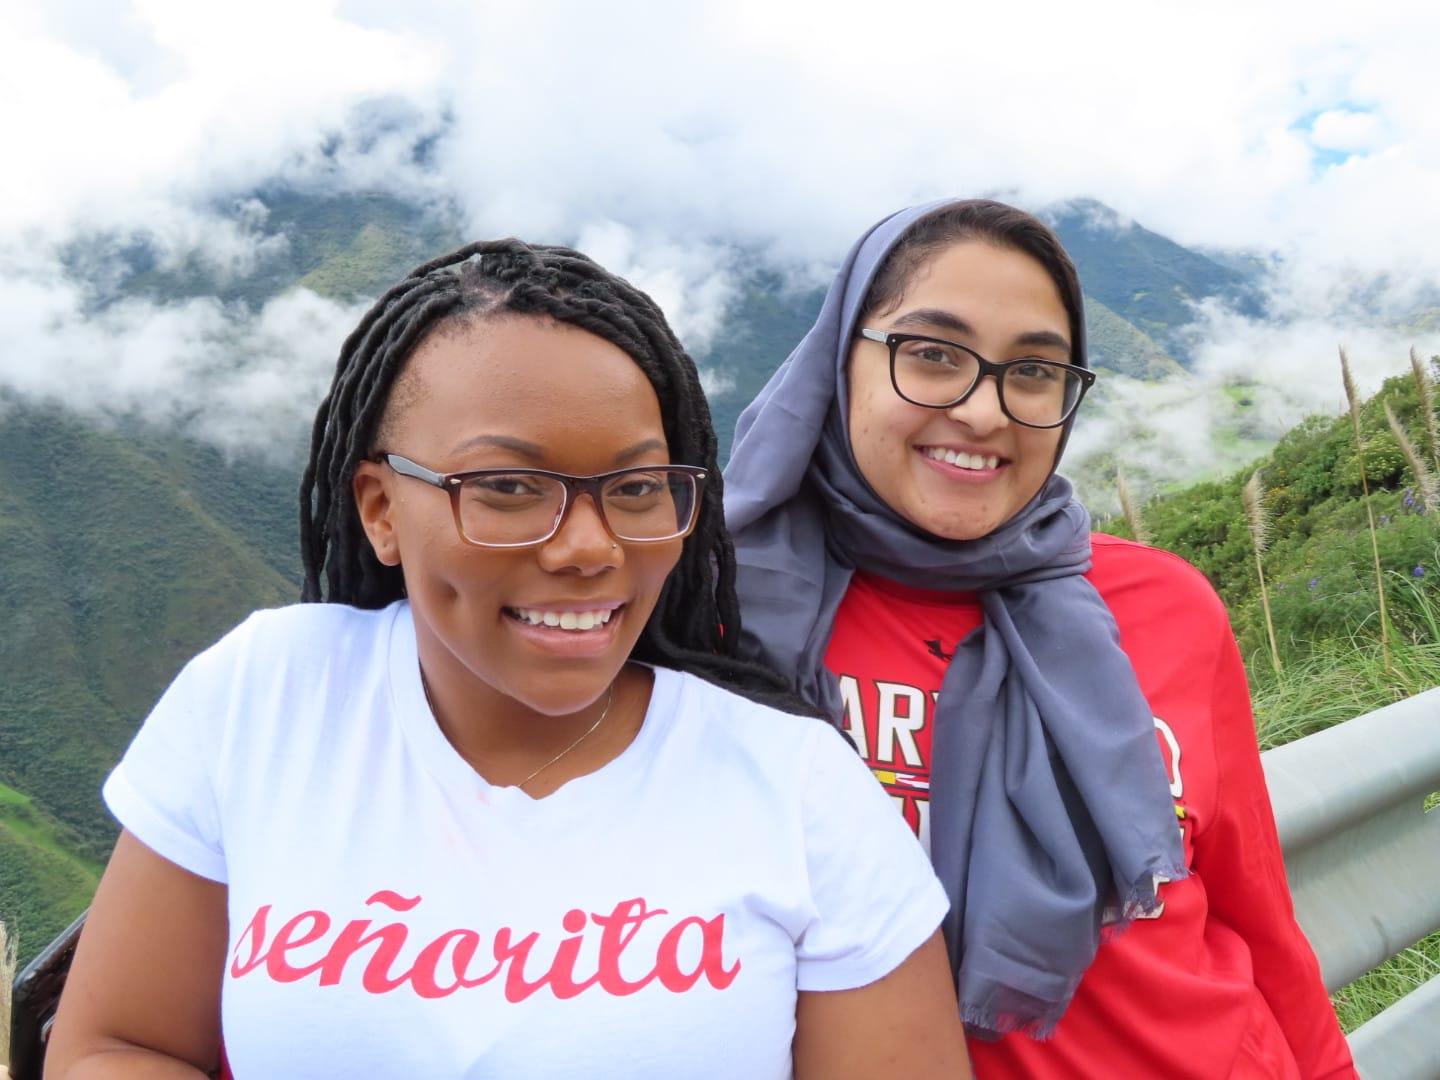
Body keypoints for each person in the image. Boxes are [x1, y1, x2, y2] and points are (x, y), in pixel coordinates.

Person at [44, 240, 972, 1078]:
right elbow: (119, 1046)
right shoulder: (262, 697)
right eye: (508, 488)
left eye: (638, 487)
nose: (588, 547)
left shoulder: (800, 792)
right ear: (379, 510)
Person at [725, 199, 1357, 1078]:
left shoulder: (1165, 604)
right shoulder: (730, 627)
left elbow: (1257, 920)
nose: (984, 412)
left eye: (1033, 372)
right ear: (841, 361)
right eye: (933, 354)